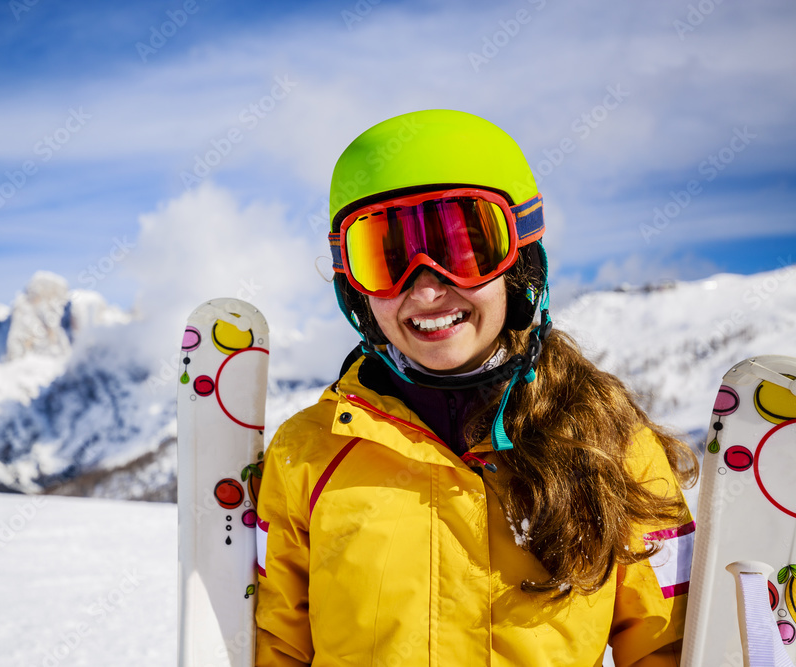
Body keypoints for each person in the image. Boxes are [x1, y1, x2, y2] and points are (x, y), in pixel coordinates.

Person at [253, 109, 699, 666]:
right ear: (356, 290)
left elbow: (670, 646)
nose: (427, 287)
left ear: (520, 267)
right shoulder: (309, 456)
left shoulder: (611, 447)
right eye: (387, 258)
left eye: (464, 249)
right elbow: (276, 647)